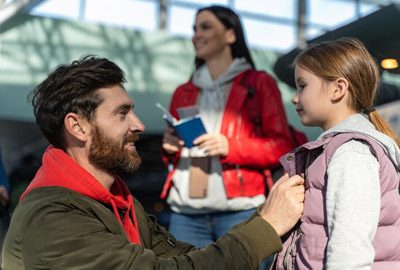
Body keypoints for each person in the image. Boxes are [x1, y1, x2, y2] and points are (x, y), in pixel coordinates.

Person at [2, 56, 305, 270]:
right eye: (122, 114)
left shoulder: (120, 202)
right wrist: (266, 226)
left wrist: (266, 220)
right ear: (78, 127)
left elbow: (193, 259)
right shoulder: (53, 216)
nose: (139, 125)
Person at [161, 5, 294, 249]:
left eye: (206, 27)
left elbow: (282, 146)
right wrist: (170, 148)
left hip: (239, 211)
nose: (196, 35)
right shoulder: (183, 92)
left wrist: (230, 146)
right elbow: (173, 155)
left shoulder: (260, 84)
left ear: (231, 35)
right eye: (194, 29)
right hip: (185, 214)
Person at [272, 38, 400, 269]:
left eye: (302, 86)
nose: (295, 97)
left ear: (338, 89)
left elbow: (350, 249)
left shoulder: (352, 153)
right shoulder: (335, 149)